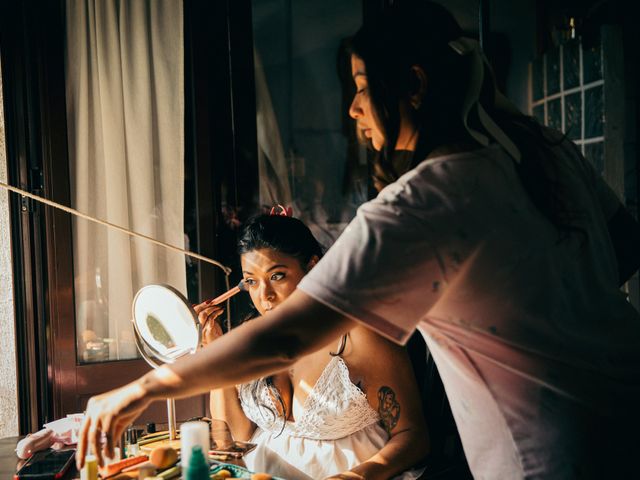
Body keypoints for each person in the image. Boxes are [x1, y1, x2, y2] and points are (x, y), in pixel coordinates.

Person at [78, 3, 640, 478]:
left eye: (364, 88)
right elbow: (626, 248)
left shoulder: (423, 202)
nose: (352, 109)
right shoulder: (546, 151)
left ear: (414, 87)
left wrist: (144, 390)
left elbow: (285, 338)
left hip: (551, 455)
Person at [194, 212, 428, 479]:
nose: (264, 296)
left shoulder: (358, 335)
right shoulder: (251, 338)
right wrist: (214, 352)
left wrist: (358, 475)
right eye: (251, 281)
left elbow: (413, 436)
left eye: (277, 276)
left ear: (313, 267)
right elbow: (238, 435)